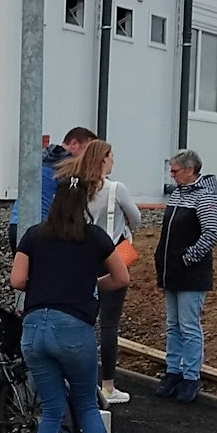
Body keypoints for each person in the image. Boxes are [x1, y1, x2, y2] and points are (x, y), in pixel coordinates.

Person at [9, 142, 128, 433]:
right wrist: (93, 283)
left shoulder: (34, 234)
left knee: (50, 409)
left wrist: (44, 282)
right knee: (87, 406)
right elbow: (121, 277)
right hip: (74, 329)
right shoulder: (94, 237)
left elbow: (17, 280)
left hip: (34, 330)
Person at [153, 149, 217, 403]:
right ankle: (173, 371)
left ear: (190, 170)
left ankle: (191, 376)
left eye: (175, 170)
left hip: (190, 274)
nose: (172, 175)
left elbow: (211, 234)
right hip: (171, 271)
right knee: (173, 325)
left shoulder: (205, 197)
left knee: (189, 325)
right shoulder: (177, 195)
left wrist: (187, 258)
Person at [87, 143, 140, 405]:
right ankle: (108, 386)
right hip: (114, 257)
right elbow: (137, 219)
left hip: (85, 257)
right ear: (104, 159)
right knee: (109, 325)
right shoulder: (115, 189)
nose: (113, 162)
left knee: (84, 320)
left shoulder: (79, 189)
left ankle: (82, 382)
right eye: (111, 157)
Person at [8, 127, 95, 253]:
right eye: (88, 150)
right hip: (39, 228)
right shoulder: (67, 166)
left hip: (16, 223)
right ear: (74, 144)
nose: (89, 157)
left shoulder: (44, 157)